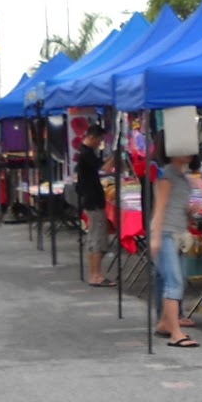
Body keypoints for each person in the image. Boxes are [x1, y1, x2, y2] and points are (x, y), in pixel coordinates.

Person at [149, 136, 198, 347]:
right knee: (174, 281)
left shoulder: (181, 176)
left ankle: (164, 323)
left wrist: (189, 212)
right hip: (166, 233)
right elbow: (159, 209)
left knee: (169, 280)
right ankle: (176, 333)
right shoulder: (166, 176)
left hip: (176, 233)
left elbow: (174, 207)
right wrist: (155, 236)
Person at [76, 122, 114, 286]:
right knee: (98, 239)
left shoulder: (85, 152)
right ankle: (96, 275)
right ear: (91, 137)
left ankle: (94, 274)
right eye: (99, 140)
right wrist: (115, 157)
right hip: (93, 200)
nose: (100, 143)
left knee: (92, 239)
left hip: (90, 199)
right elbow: (104, 169)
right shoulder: (86, 154)